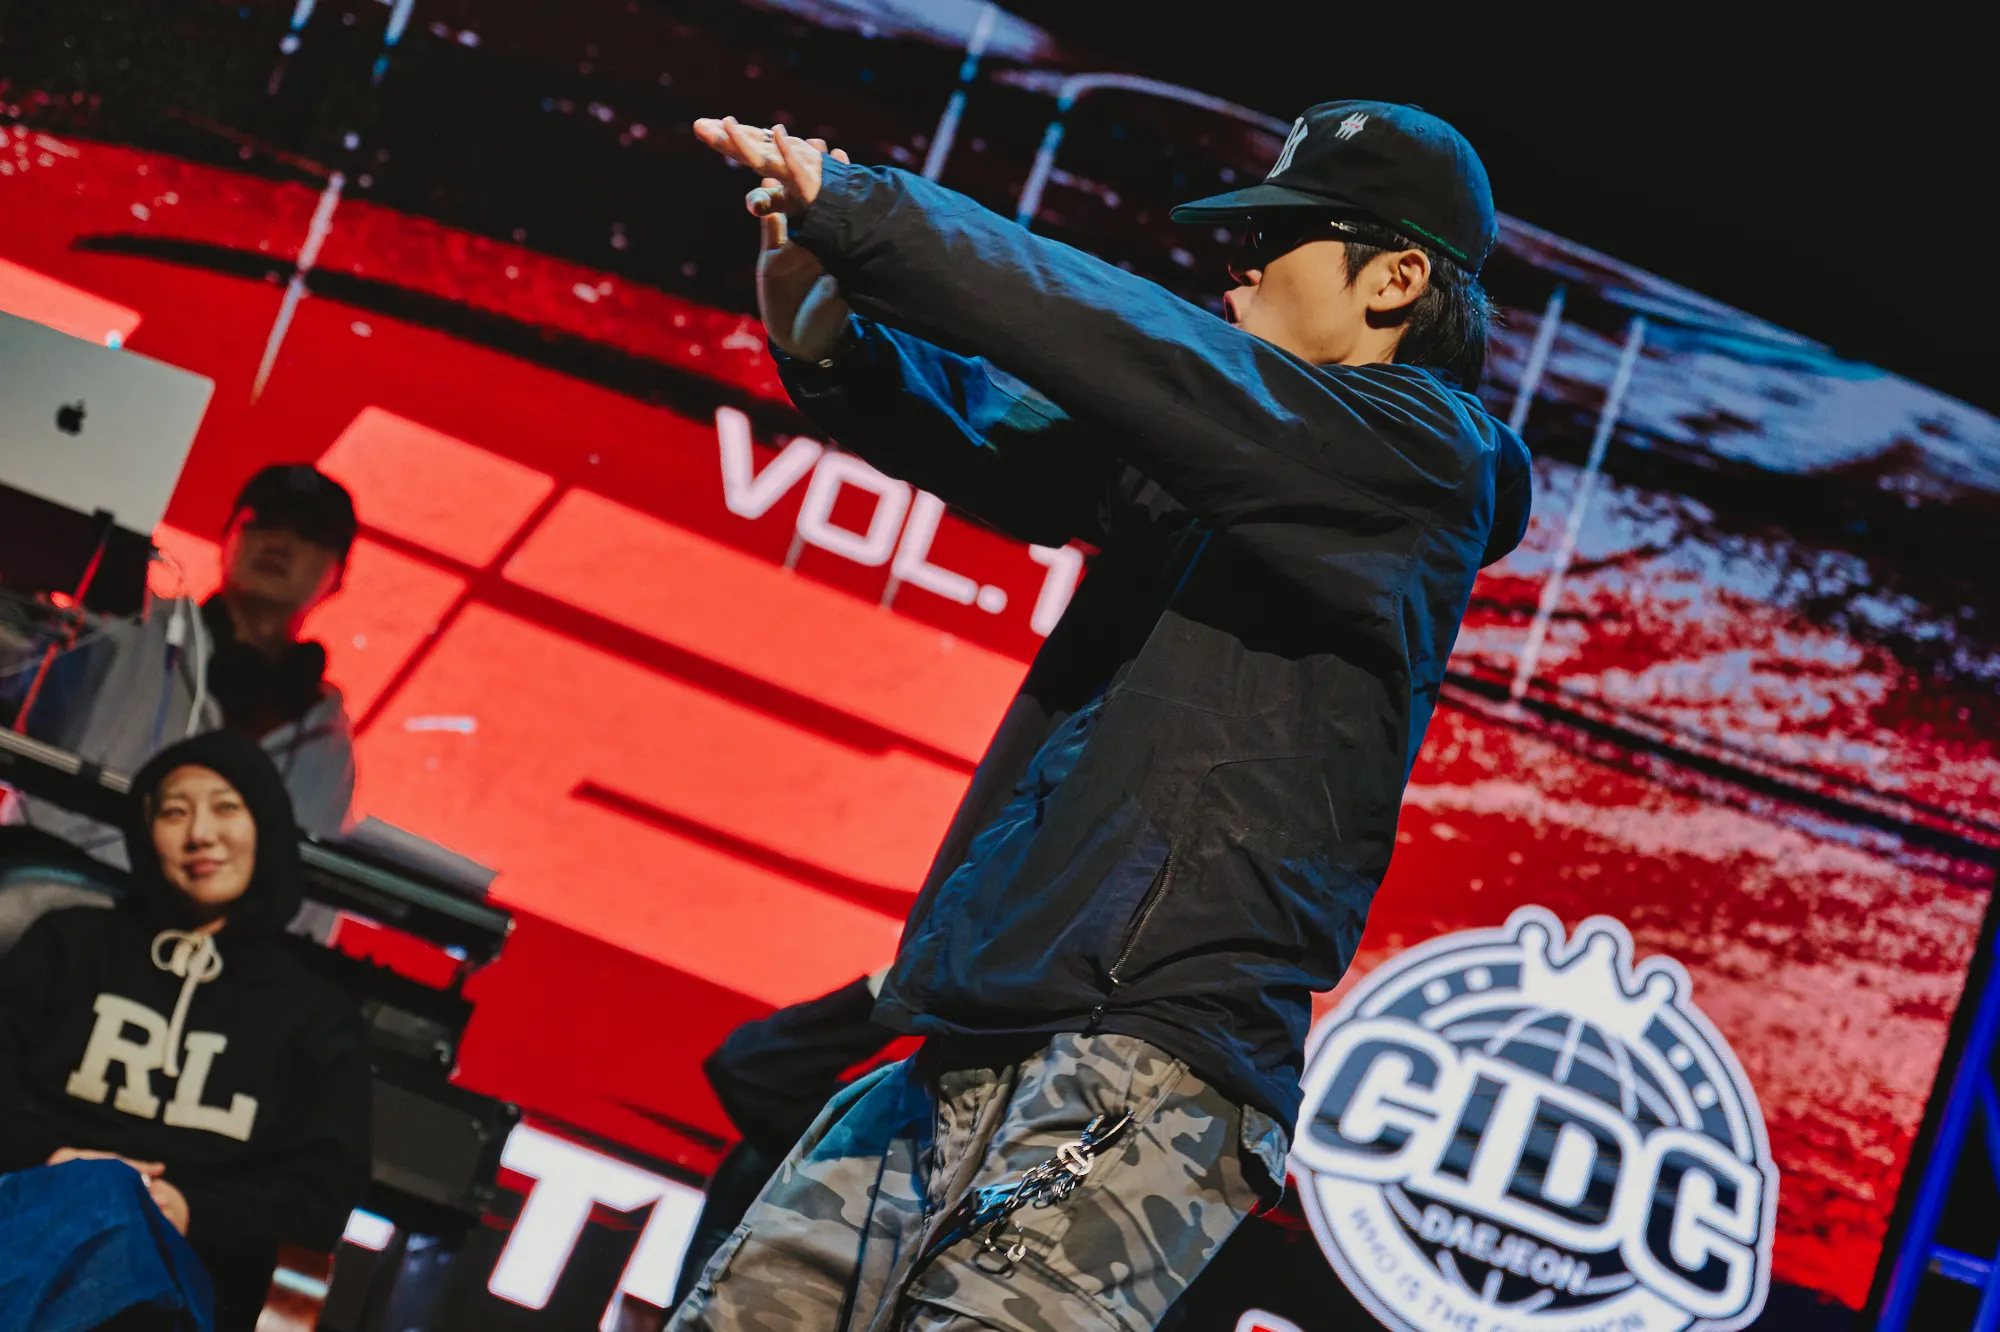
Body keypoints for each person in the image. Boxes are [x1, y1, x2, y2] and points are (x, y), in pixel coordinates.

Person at [675, 99, 1532, 1330]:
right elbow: (1006, 436)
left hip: (1144, 1078)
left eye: (1275, 238)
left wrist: (868, 210)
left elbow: (1134, 347)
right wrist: (831, 338)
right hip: (965, 1042)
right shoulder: (1211, 453)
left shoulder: (1425, 463)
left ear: (1395, 278)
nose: (1236, 264)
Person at [0, 729, 373, 1332]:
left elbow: (320, 1196)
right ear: (145, 831)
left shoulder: (314, 1015)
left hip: (183, 1274)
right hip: (26, 1213)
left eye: (226, 808)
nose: (201, 833)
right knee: (101, 1193)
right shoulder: (69, 944)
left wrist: (191, 1210)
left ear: (265, 827)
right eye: (175, 812)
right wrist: (53, 1160)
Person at [2, 464, 359, 864]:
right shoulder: (128, 631)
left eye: (310, 532)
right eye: (264, 519)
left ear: (338, 575)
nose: (280, 540)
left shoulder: (330, 746)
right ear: (228, 537)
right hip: (49, 889)